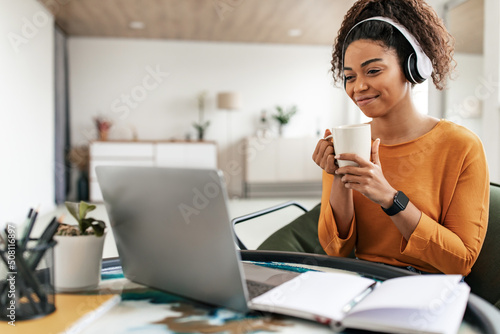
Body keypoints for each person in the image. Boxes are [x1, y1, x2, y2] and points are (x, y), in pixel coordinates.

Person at [312, 0, 489, 276]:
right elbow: (336, 250)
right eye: (349, 77)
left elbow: (460, 262)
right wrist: (338, 179)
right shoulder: (347, 141)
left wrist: (390, 199)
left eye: (373, 71)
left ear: (412, 67)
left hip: (427, 288)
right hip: (360, 281)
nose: (358, 87)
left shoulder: (461, 146)